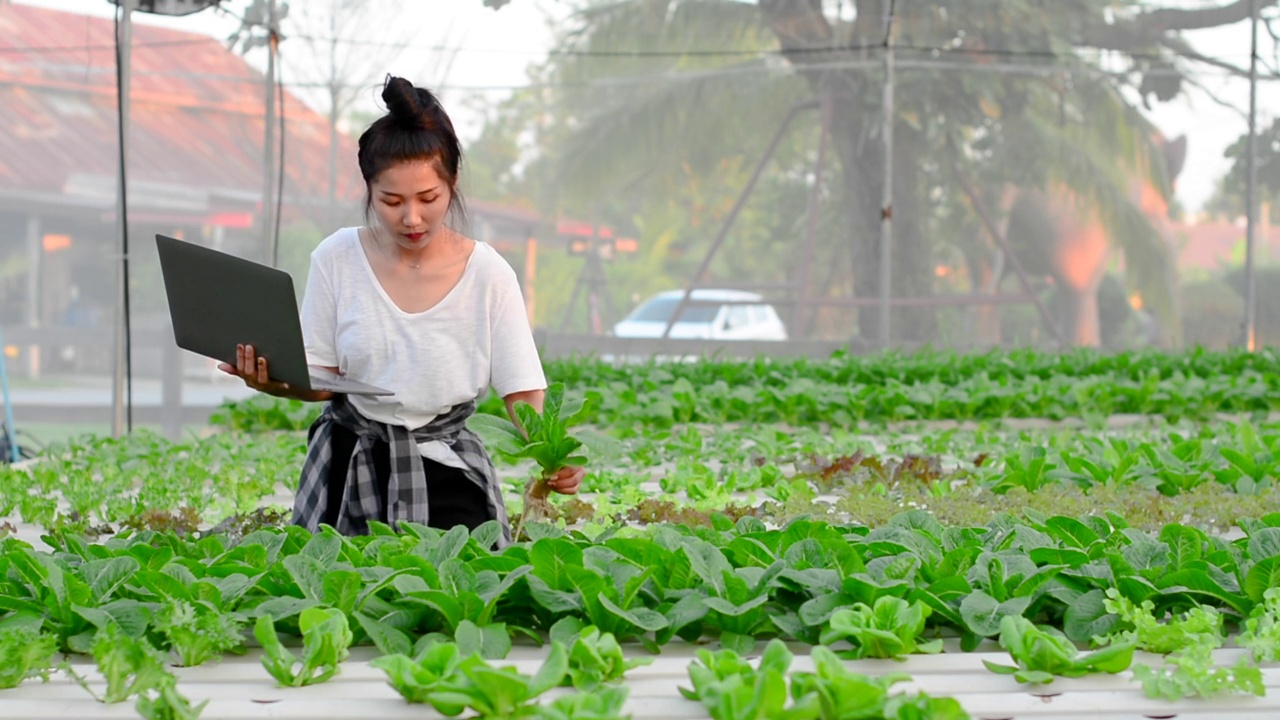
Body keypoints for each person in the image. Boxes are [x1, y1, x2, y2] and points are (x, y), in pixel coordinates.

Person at [219, 75, 583, 547]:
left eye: (428, 199)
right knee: (340, 601)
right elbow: (322, 383)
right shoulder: (336, 258)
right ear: (369, 190)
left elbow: (523, 393)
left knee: (466, 587)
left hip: (448, 467)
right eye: (391, 201)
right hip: (348, 468)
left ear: (451, 185)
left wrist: (552, 453)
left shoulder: (488, 273)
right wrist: (272, 382)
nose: (411, 218)